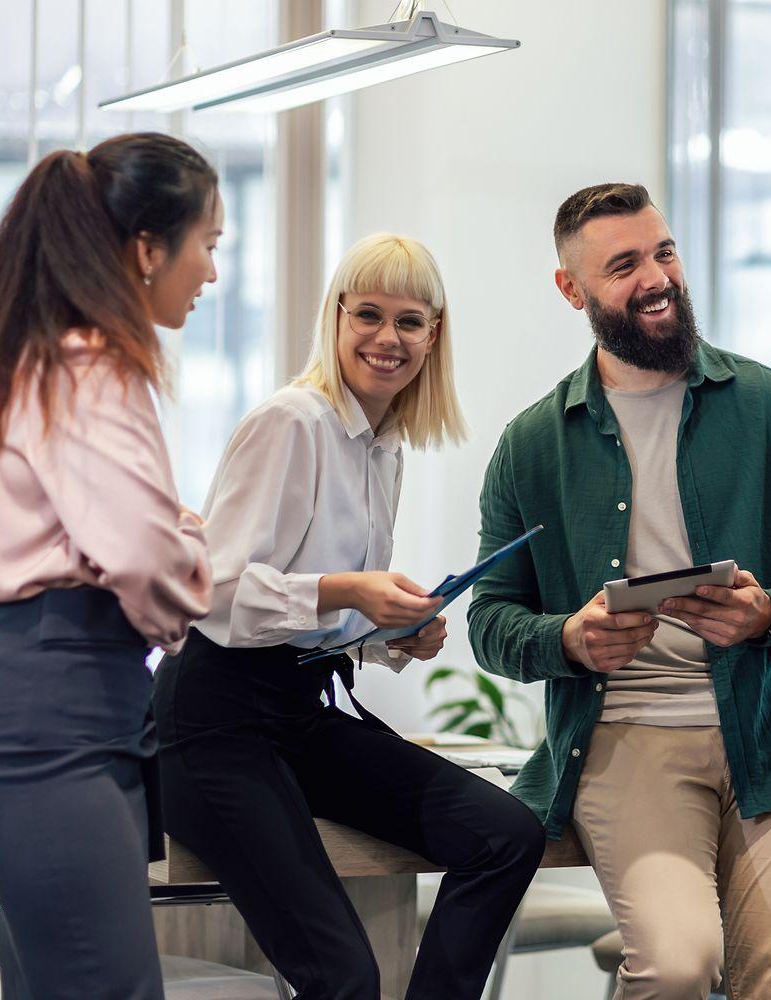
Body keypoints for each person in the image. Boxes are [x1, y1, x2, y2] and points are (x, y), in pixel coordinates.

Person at [467, 182, 771, 999]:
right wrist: (567, 640)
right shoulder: (534, 443)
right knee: (678, 966)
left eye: (664, 252)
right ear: (571, 290)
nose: (657, 278)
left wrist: (769, 612)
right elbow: (489, 618)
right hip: (627, 738)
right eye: (624, 266)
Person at [152, 234, 545, 1000]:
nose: (387, 339)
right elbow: (217, 593)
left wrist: (394, 633)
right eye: (368, 314)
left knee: (507, 836)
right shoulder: (293, 422)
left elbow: (316, 616)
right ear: (335, 320)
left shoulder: (386, 443)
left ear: (434, 337)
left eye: (409, 322)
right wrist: (349, 591)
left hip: (300, 711)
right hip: (214, 723)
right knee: (343, 974)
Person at [0, 132, 219, 999]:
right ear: (146, 249)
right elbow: (147, 555)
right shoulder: (91, 365)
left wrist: (171, 536)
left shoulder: (60, 359)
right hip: (51, 742)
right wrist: (192, 553)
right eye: (207, 243)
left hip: (53, 727)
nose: (210, 271)